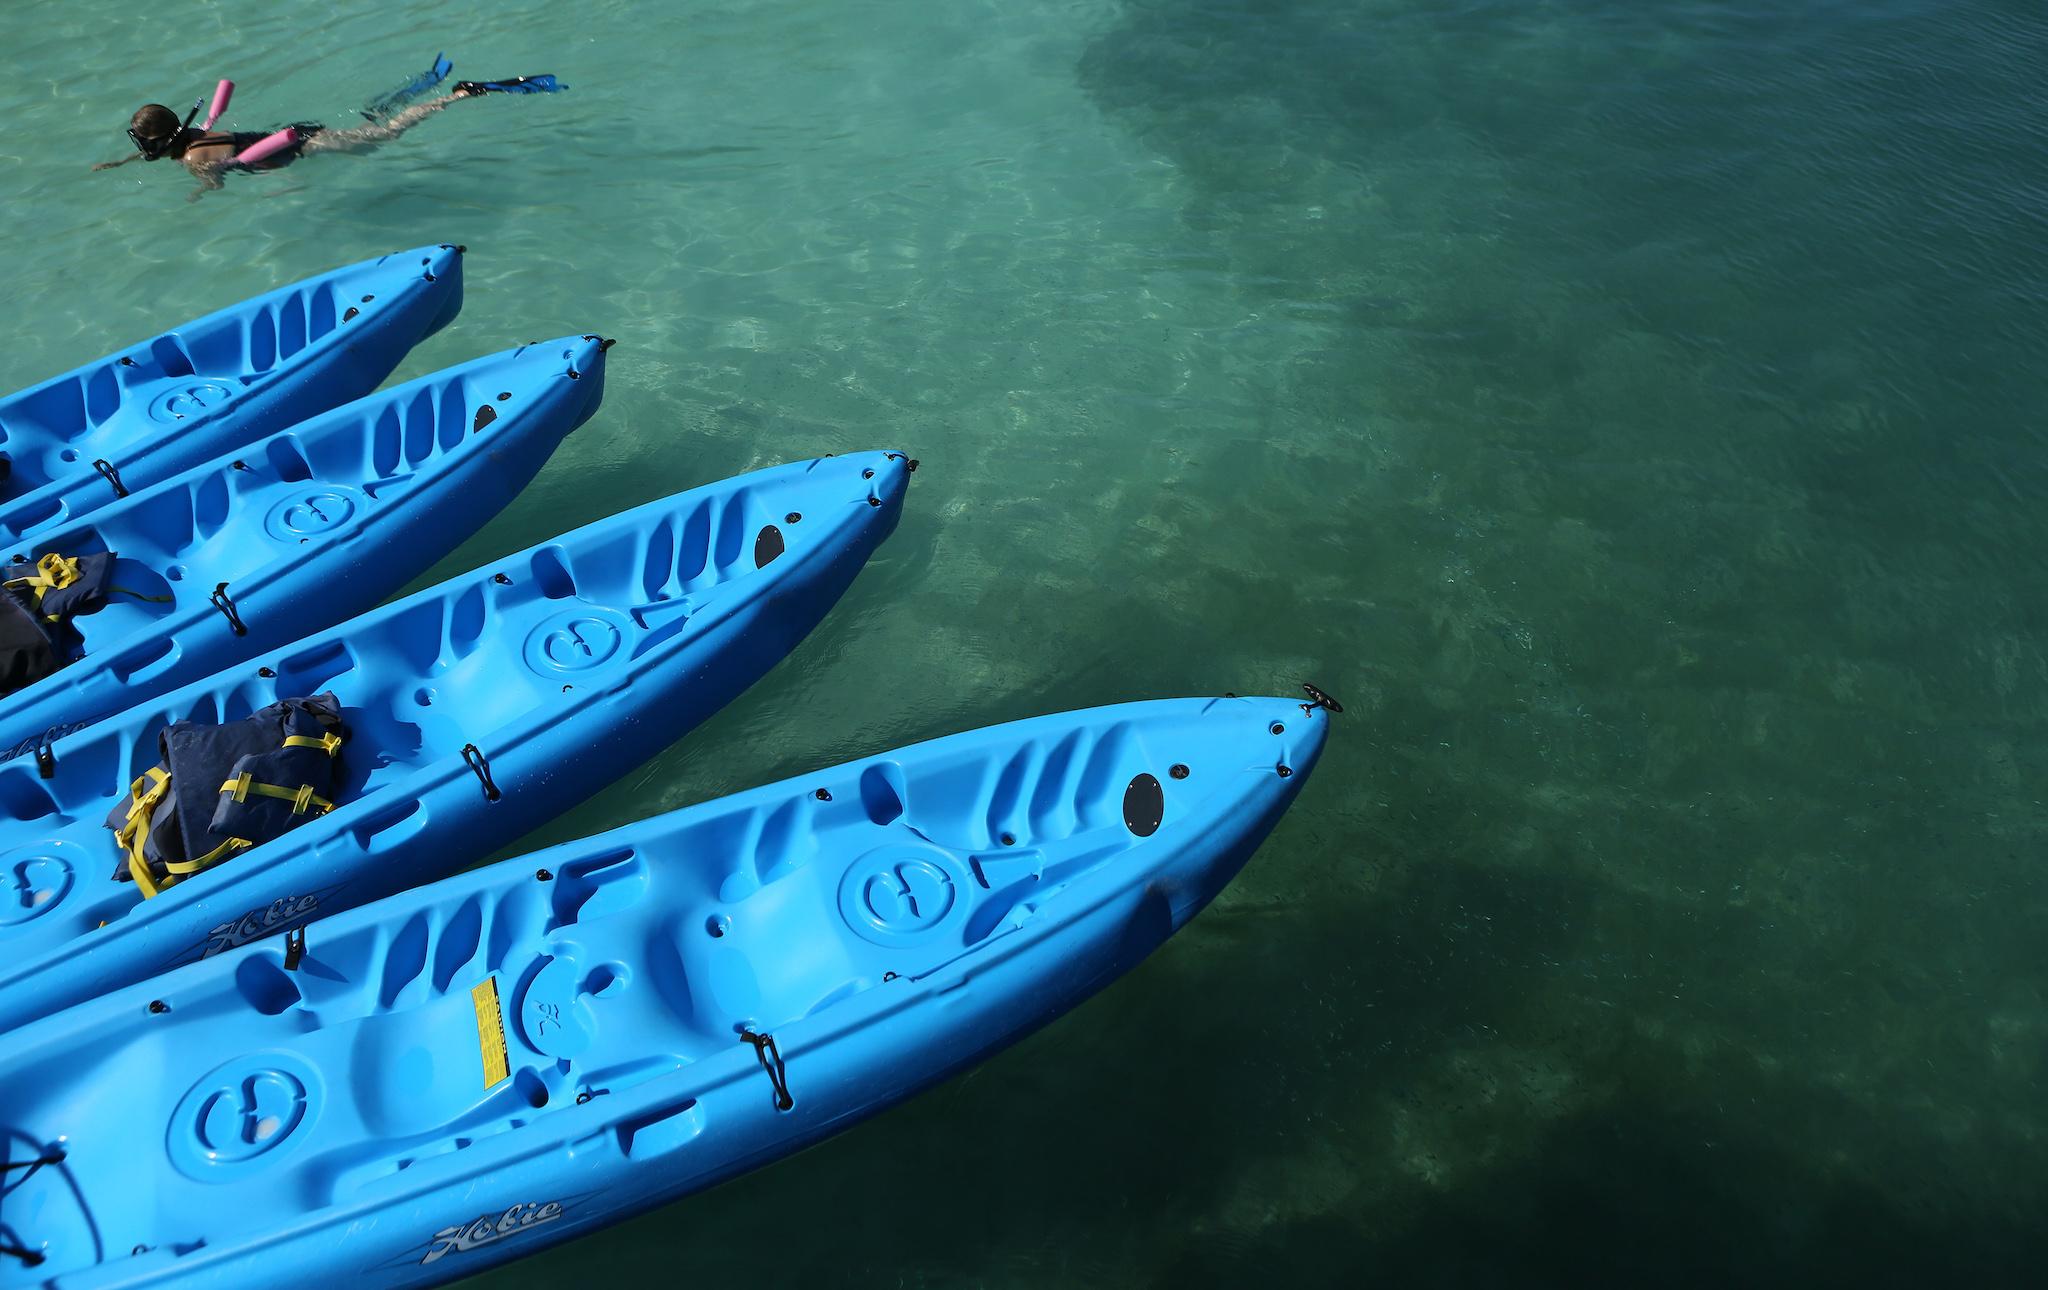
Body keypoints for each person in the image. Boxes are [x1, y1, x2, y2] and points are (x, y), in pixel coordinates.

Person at [91, 61, 561, 195]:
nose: (141, 149)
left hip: (301, 144)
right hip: (286, 137)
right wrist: (121, 162)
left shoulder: (195, 160)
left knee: (385, 137)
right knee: (372, 128)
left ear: (162, 142)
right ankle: (400, 99)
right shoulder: (191, 137)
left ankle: (460, 94)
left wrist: (198, 195)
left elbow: (214, 182)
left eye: (141, 145)